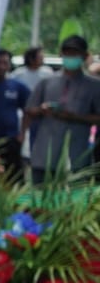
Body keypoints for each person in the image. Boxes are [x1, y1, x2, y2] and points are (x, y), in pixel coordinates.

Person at [24, 34, 100, 184]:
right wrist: (42, 110)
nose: (70, 57)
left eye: (75, 53)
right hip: (45, 155)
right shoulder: (47, 82)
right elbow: (29, 110)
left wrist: (74, 117)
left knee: (76, 200)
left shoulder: (94, 86)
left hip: (78, 157)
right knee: (41, 202)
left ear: (85, 56)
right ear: (61, 54)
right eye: (67, 53)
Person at [0, 49, 30, 181]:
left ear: (9, 65)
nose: (0, 66)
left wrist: (22, 134)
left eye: (4, 63)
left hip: (11, 139)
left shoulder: (17, 86)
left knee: (14, 177)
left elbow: (28, 110)